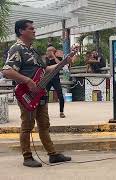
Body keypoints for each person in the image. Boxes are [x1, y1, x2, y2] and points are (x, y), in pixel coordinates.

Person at [2, 19, 71, 167]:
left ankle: (52, 155)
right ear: (21, 31)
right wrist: (27, 80)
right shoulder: (17, 49)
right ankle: (27, 157)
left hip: (40, 93)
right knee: (27, 126)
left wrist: (63, 63)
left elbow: (45, 70)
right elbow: (7, 71)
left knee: (44, 125)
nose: (34, 30)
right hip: (26, 94)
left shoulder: (32, 50)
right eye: (31, 28)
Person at [45, 46, 66, 118]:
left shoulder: (58, 58)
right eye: (47, 51)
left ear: (53, 52)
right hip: (47, 79)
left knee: (60, 94)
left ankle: (61, 112)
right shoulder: (46, 59)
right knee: (44, 95)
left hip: (55, 79)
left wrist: (54, 56)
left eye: (49, 51)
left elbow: (60, 65)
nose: (47, 52)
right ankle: (44, 112)